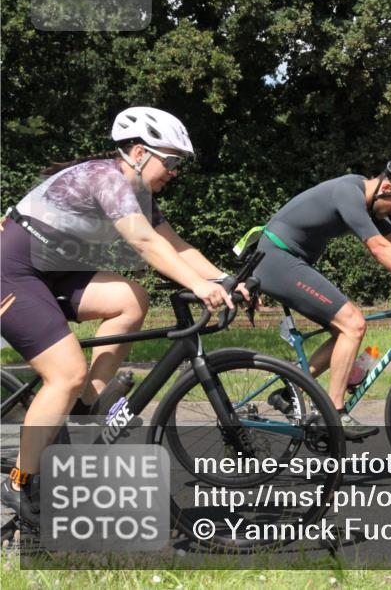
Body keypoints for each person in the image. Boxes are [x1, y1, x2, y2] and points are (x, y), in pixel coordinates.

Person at [0, 107, 238, 523]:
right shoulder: (106, 178)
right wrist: (199, 288)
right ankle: (18, 480)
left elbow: (175, 246)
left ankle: (83, 405)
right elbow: (145, 243)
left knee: (131, 301)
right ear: (141, 153)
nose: (175, 172)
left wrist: (223, 278)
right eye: (173, 161)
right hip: (13, 271)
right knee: (66, 372)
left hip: (54, 272)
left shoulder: (137, 194)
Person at [250, 157, 391, 440]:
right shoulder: (349, 193)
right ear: (386, 188)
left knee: (343, 331)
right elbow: (380, 248)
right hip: (278, 258)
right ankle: (335, 414)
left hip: (287, 260)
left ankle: (289, 389)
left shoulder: (370, 203)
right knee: (353, 323)